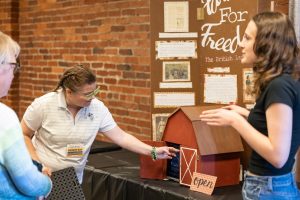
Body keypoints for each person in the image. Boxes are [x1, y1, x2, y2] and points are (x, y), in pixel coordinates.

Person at [199, 12, 300, 199]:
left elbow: (277, 156)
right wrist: (247, 114)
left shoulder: (279, 86)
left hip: (268, 190)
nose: (240, 44)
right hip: (272, 187)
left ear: (265, 44)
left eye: (246, 38)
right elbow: (276, 128)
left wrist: (236, 121)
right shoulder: (285, 81)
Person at [21, 64, 178, 183]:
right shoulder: (43, 105)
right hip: (39, 176)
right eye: (87, 94)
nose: (93, 97)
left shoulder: (97, 108)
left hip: (70, 179)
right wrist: (38, 164)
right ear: (68, 92)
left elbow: (121, 137)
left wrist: (153, 152)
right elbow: (23, 134)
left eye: (95, 91)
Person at [0, 31, 52, 199]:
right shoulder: (4, 117)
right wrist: (46, 182)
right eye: (13, 66)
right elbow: (30, 184)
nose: (14, 74)